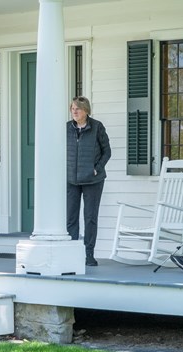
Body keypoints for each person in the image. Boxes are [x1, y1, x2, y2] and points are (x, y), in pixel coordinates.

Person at [66, 96, 111, 266]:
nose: (74, 111)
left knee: (90, 217)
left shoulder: (97, 127)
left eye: (78, 108)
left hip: (93, 180)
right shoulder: (67, 128)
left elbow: (107, 152)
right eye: (72, 108)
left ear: (86, 110)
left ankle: (88, 254)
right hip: (71, 179)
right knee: (71, 217)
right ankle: (72, 253)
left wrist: (96, 168)